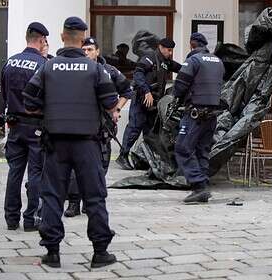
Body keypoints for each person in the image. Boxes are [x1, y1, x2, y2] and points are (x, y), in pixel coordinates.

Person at [23, 17, 118, 269]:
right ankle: (100, 253)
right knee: (95, 197)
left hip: (55, 143)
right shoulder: (95, 69)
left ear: (63, 36)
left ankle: (52, 253)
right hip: (88, 143)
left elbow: (29, 103)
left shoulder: (47, 67)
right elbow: (110, 103)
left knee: (53, 196)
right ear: (83, 37)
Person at [64, 36, 134, 217]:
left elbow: (127, 90)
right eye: (84, 49)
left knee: (100, 166)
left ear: (97, 51)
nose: (87, 53)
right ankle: (73, 202)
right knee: (76, 165)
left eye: (90, 49)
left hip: (103, 126)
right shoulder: (75, 69)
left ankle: (90, 201)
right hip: (80, 124)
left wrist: (117, 109)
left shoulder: (109, 71)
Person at [0, 22, 49, 231]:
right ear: (40, 40)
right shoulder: (43, 64)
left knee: (14, 172)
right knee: (36, 173)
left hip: (14, 124)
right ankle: (31, 219)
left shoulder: (10, 62)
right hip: (36, 126)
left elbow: (3, 94)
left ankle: (11, 218)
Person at [172, 32, 224, 204]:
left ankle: (198, 185)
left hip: (195, 113)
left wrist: (176, 98)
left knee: (183, 147)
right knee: (202, 149)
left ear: (191, 44)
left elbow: (180, 85)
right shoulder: (217, 61)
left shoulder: (193, 60)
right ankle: (203, 185)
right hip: (212, 115)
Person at [116, 37, 181, 170]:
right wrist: (146, 91)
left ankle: (144, 158)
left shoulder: (166, 62)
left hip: (154, 103)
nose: (170, 53)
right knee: (134, 128)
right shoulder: (149, 58)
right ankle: (122, 156)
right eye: (168, 50)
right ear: (161, 47)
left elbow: (180, 68)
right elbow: (138, 74)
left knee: (151, 133)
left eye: (171, 50)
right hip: (141, 99)